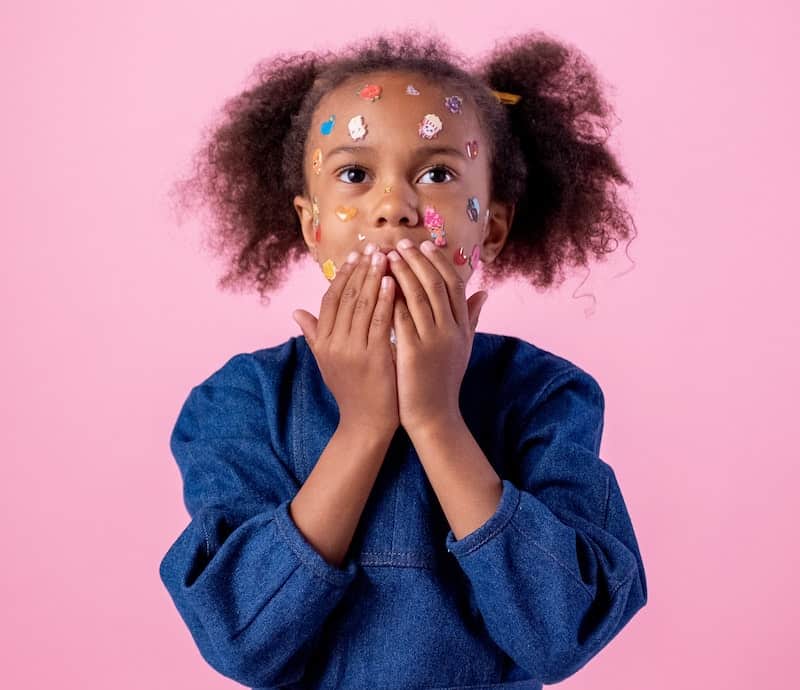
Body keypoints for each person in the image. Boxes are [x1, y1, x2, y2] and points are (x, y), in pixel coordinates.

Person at [159, 28, 647, 690]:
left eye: (438, 173)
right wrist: (364, 426)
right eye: (355, 175)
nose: (394, 207)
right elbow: (239, 639)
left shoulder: (545, 396)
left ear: (492, 226)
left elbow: (564, 633)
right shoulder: (240, 401)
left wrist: (436, 418)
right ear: (313, 225)